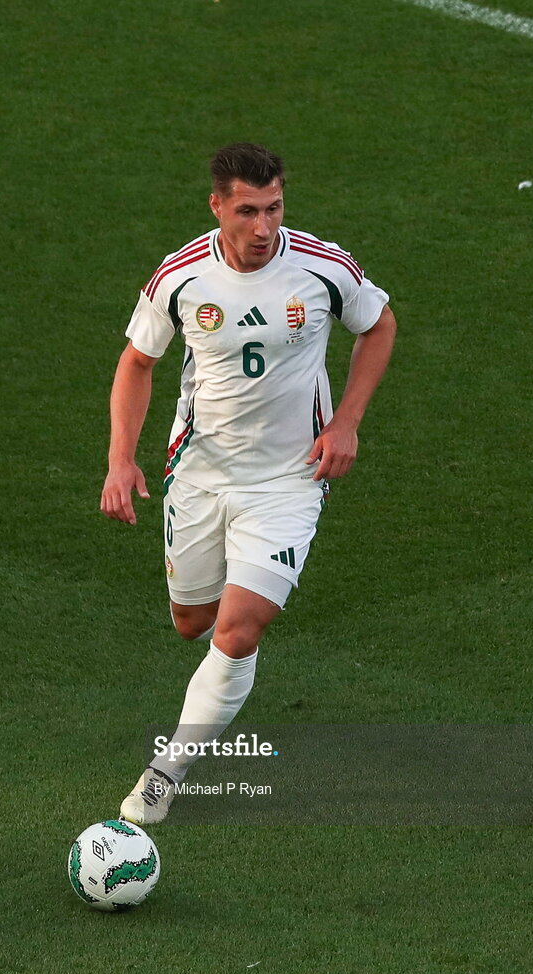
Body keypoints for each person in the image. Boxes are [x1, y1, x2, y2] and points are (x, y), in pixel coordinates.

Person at [101, 142, 396, 824]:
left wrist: (346, 421)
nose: (263, 228)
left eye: (274, 208)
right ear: (217, 207)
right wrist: (121, 458)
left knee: (235, 632)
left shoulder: (322, 268)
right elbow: (136, 362)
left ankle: (165, 772)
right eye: (247, 212)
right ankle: (223, 661)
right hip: (201, 474)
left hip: (289, 481)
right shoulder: (180, 278)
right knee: (192, 624)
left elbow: (378, 325)